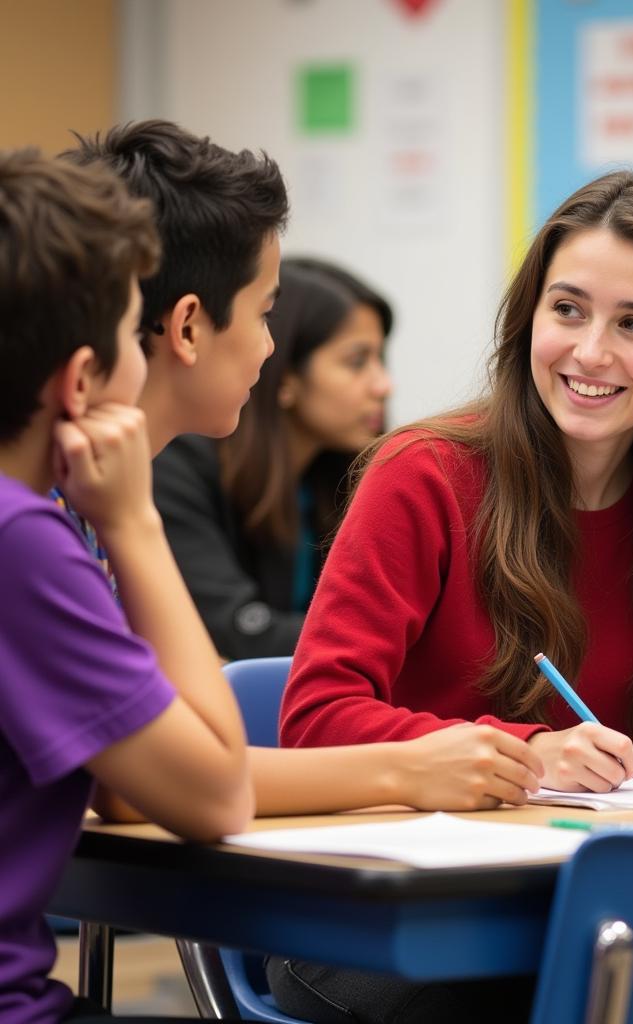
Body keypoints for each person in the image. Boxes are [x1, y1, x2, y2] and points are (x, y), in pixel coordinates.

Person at [274, 166, 633, 1024]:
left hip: (591, 915)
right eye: (568, 309)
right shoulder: (424, 477)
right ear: (528, 320)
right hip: (393, 922)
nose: (590, 352)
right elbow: (316, 716)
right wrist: (525, 755)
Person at [68, 119, 543, 818]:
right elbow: (180, 782)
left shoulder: (87, 494)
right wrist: (404, 770)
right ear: (190, 327)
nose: (267, 350)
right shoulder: (56, 515)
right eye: (265, 314)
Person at [0, 149, 252, 1023]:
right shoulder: (23, 541)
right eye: (125, 340)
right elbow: (217, 795)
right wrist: (134, 525)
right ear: (79, 383)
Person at [152, 257, 394, 659]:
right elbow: (236, 632)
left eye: (380, 359)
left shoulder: (335, 474)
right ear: (284, 377)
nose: (383, 385)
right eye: (357, 362)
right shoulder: (178, 466)